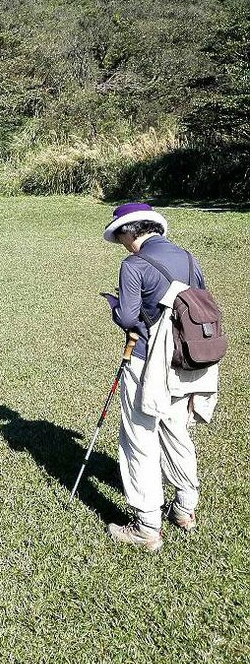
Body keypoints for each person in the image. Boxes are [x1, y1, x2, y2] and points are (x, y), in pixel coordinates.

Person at [102, 202, 218, 552]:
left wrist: (113, 306)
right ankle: (184, 508)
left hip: (145, 362)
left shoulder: (133, 265)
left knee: (139, 436)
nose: (120, 241)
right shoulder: (188, 257)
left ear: (130, 231)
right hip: (186, 361)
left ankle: (147, 526)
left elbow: (128, 317)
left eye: (120, 233)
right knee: (177, 430)